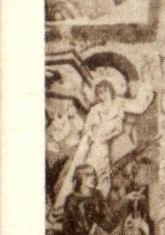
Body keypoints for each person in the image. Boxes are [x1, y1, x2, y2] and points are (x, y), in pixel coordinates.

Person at [52, 70, 154, 215]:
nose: (102, 95)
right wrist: (91, 136)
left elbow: (138, 106)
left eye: (105, 91)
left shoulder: (119, 104)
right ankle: (80, 211)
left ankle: (94, 212)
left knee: (103, 181)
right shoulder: (95, 110)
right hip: (93, 147)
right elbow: (87, 130)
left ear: (110, 91)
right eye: (99, 92)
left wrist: (147, 85)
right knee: (89, 178)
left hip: (104, 148)